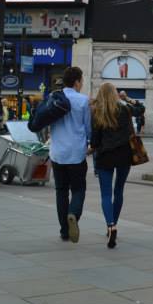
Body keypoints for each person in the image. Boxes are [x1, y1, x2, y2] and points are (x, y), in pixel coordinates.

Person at [49, 67, 92, 243]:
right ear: (76, 82)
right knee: (78, 189)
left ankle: (64, 231)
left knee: (61, 191)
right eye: (81, 81)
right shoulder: (83, 100)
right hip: (76, 153)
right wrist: (91, 143)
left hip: (57, 152)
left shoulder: (54, 98)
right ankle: (73, 214)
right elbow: (88, 128)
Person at [89, 83, 133, 248]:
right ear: (115, 94)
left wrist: (91, 149)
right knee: (119, 191)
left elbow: (95, 140)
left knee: (106, 194)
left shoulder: (97, 112)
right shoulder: (125, 109)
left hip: (105, 155)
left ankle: (111, 225)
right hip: (124, 154)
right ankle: (114, 224)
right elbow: (139, 112)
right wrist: (128, 99)